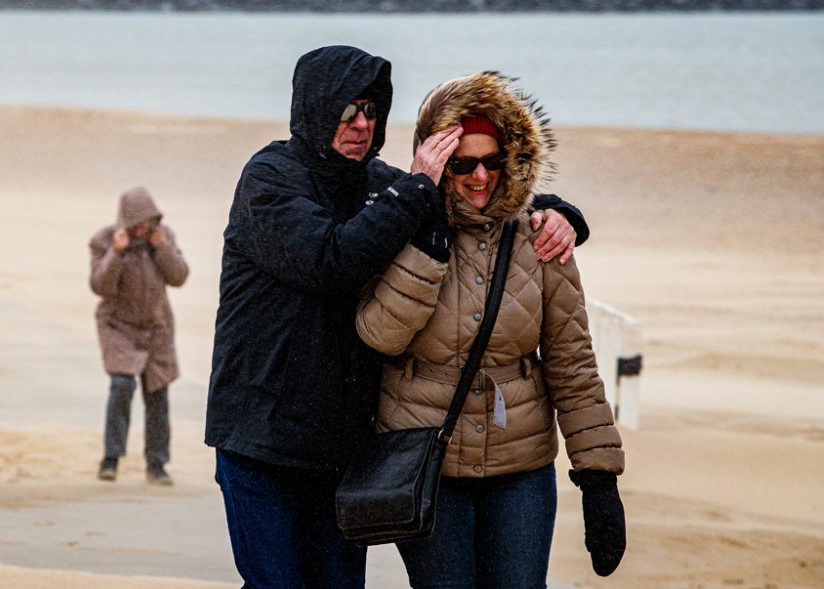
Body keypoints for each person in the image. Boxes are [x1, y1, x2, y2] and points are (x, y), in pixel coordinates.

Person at [204, 45, 588, 588]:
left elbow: (470, 198)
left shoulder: (377, 184)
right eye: (345, 111)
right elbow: (331, 258)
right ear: (313, 109)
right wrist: (414, 188)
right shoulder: (269, 180)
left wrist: (557, 212)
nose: (360, 125)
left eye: (370, 110)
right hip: (260, 439)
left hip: (341, 446)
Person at [355, 70, 626, 588]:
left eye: (493, 161)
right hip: (424, 462)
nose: (480, 176)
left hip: (520, 470)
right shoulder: (394, 226)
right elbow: (379, 335)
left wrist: (598, 478)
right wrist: (426, 235)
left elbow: (573, 365)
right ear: (437, 160)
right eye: (463, 164)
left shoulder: (543, 238)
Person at [89, 186, 189, 485]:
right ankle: (111, 459)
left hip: (157, 326)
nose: (143, 228)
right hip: (118, 326)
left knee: (157, 393)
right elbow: (100, 286)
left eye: (149, 221)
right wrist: (115, 253)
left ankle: (156, 465)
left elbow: (179, 276)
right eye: (138, 223)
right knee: (121, 386)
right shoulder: (103, 240)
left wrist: (162, 248)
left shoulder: (164, 236)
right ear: (126, 221)